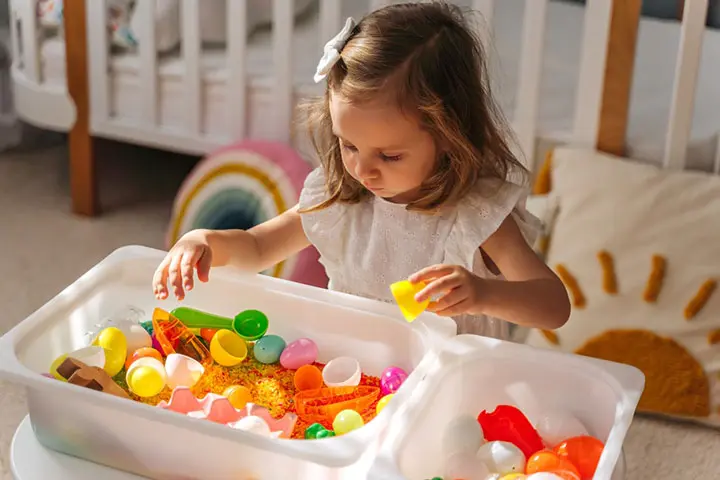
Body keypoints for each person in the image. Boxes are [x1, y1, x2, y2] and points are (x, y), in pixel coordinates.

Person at [152, 2, 570, 339]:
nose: (363, 170)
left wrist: (482, 293)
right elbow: (258, 248)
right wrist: (203, 241)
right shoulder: (341, 198)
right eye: (349, 145)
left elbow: (553, 306)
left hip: (450, 381)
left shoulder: (475, 214)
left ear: (448, 137)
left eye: (389, 156)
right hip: (358, 371)